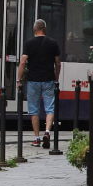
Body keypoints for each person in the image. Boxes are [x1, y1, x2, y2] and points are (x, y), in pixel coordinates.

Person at [16, 19, 61, 149]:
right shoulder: (53, 43)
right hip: (49, 79)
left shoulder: (29, 43)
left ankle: (37, 138)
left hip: (33, 80)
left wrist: (19, 80)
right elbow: (58, 63)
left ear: (34, 29)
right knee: (50, 108)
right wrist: (56, 78)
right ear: (45, 29)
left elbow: (23, 62)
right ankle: (47, 132)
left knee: (34, 110)